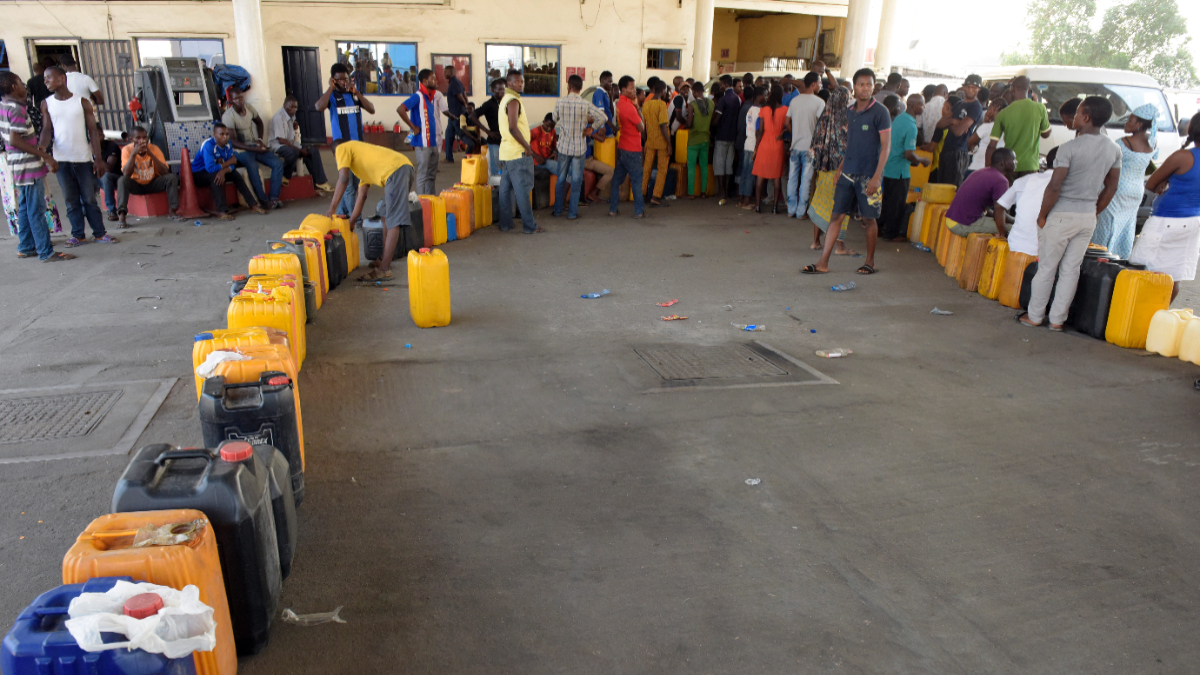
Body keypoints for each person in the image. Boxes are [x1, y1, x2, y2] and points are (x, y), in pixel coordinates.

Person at [1020, 96, 1121, 330]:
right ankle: (1057, 321)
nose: (1073, 117)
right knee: (1071, 270)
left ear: (1085, 118)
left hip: (1061, 214)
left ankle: (1035, 316)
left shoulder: (1069, 149)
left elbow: (1055, 186)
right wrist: (1094, 211)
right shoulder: (1113, 149)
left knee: (1047, 267)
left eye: (1076, 113)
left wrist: (1042, 214)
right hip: (1087, 217)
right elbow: (1112, 186)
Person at [803, 69, 892, 275]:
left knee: (869, 219)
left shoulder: (881, 112)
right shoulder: (850, 111)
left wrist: (877, 177)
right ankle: (823, 262)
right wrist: (841, 168)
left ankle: (870, 262)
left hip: (869, 176)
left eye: (869, 84)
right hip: (847, 173)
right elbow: (850, 144)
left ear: (873, 86)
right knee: (836, 217)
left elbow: (885, 146)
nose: (865, 88)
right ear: (854, 86)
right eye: (861, 84)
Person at [39, 65, 117, 247]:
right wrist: (42, 148)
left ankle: (99, 233)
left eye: (49, 78)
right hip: (61, 159)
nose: (46, 82)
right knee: (70, 199)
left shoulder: (82, 102)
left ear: (62, 78)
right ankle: (78, 234)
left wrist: (98, 158)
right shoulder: (46, 103)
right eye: (45, 79)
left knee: (89, 198)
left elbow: (92, 131)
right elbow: (46, 130)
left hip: (83, 158)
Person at [0, 71, 72, 262]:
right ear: (14, 87)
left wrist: (36, 147)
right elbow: (15, 140)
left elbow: (17, 139)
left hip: (19, 165)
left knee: (24, 206)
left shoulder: (4, 106)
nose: (25, 87)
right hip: (28, 166)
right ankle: (45, 251)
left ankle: (26, 246)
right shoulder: (17, 109)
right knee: (36, 209)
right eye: (21, 84)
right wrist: (45, 155)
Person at [1129, 116, 1200, 302]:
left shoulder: (1183, 156)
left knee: (1144, 270)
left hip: (1166, 220)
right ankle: (1159, 315)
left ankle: (1137, 316)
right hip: (1193, 221)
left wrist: (1165, 180)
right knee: (1173, 277)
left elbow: (1151, 183)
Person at [326, 140, 414, 281]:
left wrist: (331, 209)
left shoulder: (341, 148)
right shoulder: (360, 166)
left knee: (393, 221)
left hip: (397, 170)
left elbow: (343, 179)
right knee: (384, 212)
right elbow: (362, 195)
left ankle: (384, 269)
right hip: (400, 168)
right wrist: (352, 221)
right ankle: (384, 260)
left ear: (335, 156)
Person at [1091, 104, 1158, 258]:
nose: (1126, 123)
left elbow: (1106, 166)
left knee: (1106, 226)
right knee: (1126, 228)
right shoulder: (1152, 142)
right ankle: (1120, 258)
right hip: (1136, 191)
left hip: (1117, 190)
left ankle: (1101, 257)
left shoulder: (1123, 143)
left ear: (1139, 124)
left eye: (1131, 120)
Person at [552, 74, 608, 219]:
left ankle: (558, 210)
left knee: (561, 179)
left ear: (569, 87)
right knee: (576, 180)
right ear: (580, 88)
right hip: (579, 148)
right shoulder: (585, 104)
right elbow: (603, 117)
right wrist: (591, 128)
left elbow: (554, 119)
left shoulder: (560, 102)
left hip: (564, 147)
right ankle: (572, 213)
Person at [807, 85, 853, 253]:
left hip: (824, 168)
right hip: (841, 169)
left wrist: (817, 163)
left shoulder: (824, 117)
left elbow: (815, 143)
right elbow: (850, 147)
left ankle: (815, 241)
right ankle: (839, 245)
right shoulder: (848, 119)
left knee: (820, 202)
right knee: (841, 206)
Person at [222, 89, 284, 209]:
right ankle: (264, 201)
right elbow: (233, 142)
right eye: (236, 99)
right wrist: (256, 150)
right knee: (253, 166)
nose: (239, 101)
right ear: (231, 101)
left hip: (254, 146)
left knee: (277, 163)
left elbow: (259, 122)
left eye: (241, 98)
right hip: (240, 150)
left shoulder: (249, 108)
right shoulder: (228, 116)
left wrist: (260, 140)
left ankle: (273, 198)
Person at [880, 94, 929, 240]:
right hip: (900, 171)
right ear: (914, 105)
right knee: (898, 204)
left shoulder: (899, 119)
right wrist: (922, 160)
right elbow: (909, 154)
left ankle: (880, 228)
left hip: (889, 166)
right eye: (922, 104)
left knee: (887, 201)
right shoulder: (911, 126)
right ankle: (891, 234)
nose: (924, 107)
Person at [191, 123, 264, 220]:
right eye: (221, 134)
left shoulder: (228, 144)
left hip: (217, 170)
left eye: (227, 134)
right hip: (199, 174)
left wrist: (224, 171)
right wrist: (227, 164)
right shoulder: (208, 145)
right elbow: (210, 168)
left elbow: (233, 164)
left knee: (235, 175)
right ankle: (222, 211)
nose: (225, 137)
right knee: (215, 177)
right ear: (214, 135)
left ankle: (252, 205)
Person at [498, 69, 541, 233]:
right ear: (509, 83)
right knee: (522, 190)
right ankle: (530, 226)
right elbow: (513, 128)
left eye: (522, 81)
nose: (520, 84)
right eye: (517, 81)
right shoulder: (513, 100)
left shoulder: (505, 100)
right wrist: (527, 147)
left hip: (507, 152)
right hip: (517, 153)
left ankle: (505, 224)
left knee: (505, 190)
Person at [995, 147, 1058, 258]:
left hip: (1016, 245)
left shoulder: (1025, 180)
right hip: (1044, 254)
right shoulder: (1070, 187)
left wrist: (1004, 233)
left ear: (1046, 163)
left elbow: (999, 206)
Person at [116, 126, 182, 227]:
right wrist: (133, 154)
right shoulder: (127, 150)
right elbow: (126, 174)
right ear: (131, 139)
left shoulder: (154, 148)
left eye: (144, 137)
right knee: (122, 180)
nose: (142, 140)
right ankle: (122, 216)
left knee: (171, 178)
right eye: (138, 138)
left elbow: (165, 171)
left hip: (152, 182)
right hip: (136, 184)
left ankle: (172, 211)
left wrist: (150, 154)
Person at [986, 76, 1051, 178]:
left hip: (1009, 165)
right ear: (1029, 90)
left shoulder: (1003, 113)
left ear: (1012, 89)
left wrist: (988, 169)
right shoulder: (1040, 108)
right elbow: (1046, 134)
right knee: (1026, 194)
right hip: (1030, 165)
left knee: (1009, 193)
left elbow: (992, 145)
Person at [944, 148, 1015, 236]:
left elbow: (990, 211)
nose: (1016, 162)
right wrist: (1005, 234)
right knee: (1014, 229)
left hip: (952, 219)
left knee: (1011, 224)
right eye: (1013, 160)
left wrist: (1014, 220)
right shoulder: (1001, 181)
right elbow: (999, 211)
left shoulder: (982, 171)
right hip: (962, 224)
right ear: (1003, 163)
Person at [268, 96, 331, 193]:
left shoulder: (292, 115)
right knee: (293, 152)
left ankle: (320, 182)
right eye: (291, 107)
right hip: (278, 146)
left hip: (291, 144)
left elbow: (292, 137)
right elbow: (282, 140)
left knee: (313, 151)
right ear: (285, 105)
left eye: (295, 107)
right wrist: (300, 150)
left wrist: (296, 129)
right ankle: (284, 175)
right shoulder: (279, 117)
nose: (293, 110)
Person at [786, 72, 825, 219]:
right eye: (820, 82)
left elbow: (786, 123)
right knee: (806, 180)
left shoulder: (794, 101)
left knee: (792, 178)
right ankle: (801, 212)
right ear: (813, 84)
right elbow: (822, 125)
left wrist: (795, 133)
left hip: (795, 146)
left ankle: (791, 210)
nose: (821, 85)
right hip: (810, 148)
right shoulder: (819, 102)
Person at [934, 74, 985, 186]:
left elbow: (958, 132)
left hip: (959, 152)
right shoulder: (958, 104)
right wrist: (954, 122)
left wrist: (951, 121)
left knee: (952, 188)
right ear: (964, 87)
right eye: (968, 87)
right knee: (940, 187)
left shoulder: (976, 107)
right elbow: (939, 124)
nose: (970, 90)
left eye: (974, 87)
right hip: (946, 151)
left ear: (978, 89)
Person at [397, 68, 440, 196]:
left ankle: (431, 200)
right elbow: (400, 109)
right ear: (425, 81)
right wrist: (413, 127)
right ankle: (422, 205)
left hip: (432, 143)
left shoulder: (430, 96)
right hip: (422, 144)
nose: (436, 80)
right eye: (433, 78)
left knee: (431, 176)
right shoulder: (418, 96)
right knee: (422, 175)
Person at [609, 75, 645, 219]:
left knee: (617, 180)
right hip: (633, 149)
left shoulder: (619, 103)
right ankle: (639, 211)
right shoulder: (630, 107)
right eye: (632, 88)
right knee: (636, 181)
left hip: (623, 146)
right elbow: (642, 127)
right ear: (623, 89)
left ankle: (613, 209)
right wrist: (638, 108)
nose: (634, 90)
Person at [752, 84, 789, 214]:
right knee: (777, 176)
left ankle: (757, 206)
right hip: (777, 144)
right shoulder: (785, 109)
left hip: (764, 144)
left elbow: (760, 130)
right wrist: (783, 132)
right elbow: (788, 126)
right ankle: (774, 208)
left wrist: (756, 148)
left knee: (760, 177)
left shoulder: (764, 109)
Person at [712, 74, 741, 204]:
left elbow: (717, 120)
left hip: (722, 136)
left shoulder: (723, 100)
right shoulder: (737, 99)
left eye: (721, 84)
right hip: (732, 136)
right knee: (729, 164)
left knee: (719, 164)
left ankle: (722, 192)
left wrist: (711, 125)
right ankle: (727, 192)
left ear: (725, 84)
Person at [641, 80, 671, 207]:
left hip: (650, 141)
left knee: (646, 168)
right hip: (662, 141)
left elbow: (643, 126)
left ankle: (641, 195)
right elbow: (663, 125)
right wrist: (669, 144)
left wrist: (645, 141)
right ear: (663, 91)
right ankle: (655, 196)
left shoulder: (646, 105)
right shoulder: (661, 104)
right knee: (662, 170)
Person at [684, 83, 714, 199]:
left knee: (691, 166)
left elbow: (689, 123)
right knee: (704, 166)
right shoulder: (711, 103)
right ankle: (703, 192)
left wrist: (685, 123)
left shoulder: (692, 105)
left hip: (693, 139)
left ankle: (691, 193)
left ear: (694, 92)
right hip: (705, 138)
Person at [738, 86, 766, 210]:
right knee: (750, 173)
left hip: (747, 143)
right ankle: (747, 201)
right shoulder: (760, 111)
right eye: (765, 94)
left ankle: (741, 198)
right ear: (758, 96)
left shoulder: (750, 110)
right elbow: (758, 131)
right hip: (754, 144)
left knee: (745, 172)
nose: (766, 97)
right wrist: (757, 148)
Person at [966, 98, 1006, 180]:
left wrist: (985, 124)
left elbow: (968, 143)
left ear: (994, 108)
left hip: (977, 169)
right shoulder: (1008, 128)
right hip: (997, 172)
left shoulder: (987, 127)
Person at [475, 79, 507, 179]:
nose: (502, 91)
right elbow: (472, 116)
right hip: (495, 141)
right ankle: (496, 192)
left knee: (507, 167)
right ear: (493, 90)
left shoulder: (506, 102)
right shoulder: (489, 104)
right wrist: (487, 131)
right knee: (496, 170)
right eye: (500, 89)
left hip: (506, 140)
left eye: (504, 89)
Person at [442, 66, 470, 162]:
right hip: (452, 114)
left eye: (446, 71)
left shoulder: (454, 83)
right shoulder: (456, 82)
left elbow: (461, 97)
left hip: (457, 114)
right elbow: (465, 95)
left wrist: (466, 106)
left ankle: (472, 149)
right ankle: (449, 158)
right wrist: (466, 105)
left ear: (452, 72)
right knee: (449, 135)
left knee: (462, 135)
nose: (444, 73)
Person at [25, 58, 54, 138]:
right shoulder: (48, 78)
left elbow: (29, 97)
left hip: (39, 105)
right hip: (51, 103)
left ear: (34, 71)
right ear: (43, 69)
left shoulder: (30, 81)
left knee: (44, 123)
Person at [99, 136, 122, 221]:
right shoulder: (87, 147)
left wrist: (95, 156)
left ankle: (112, 210)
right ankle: (82, 209)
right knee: (83, 179)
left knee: (106, 176)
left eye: (98, 135)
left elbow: (109, 169)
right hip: (98, 178)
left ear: (102, 135)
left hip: (115, 177)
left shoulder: (111, 146)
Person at [593, 71, 615, 137]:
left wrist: (610, 97)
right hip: (603, 131)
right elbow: (600, 113)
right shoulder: (599, 93)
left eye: (611, 82)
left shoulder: (605, 93)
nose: (611, 84)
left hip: (608, 130)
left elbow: (611, 112)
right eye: (609, 82)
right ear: (602, 80)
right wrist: (604, 126)